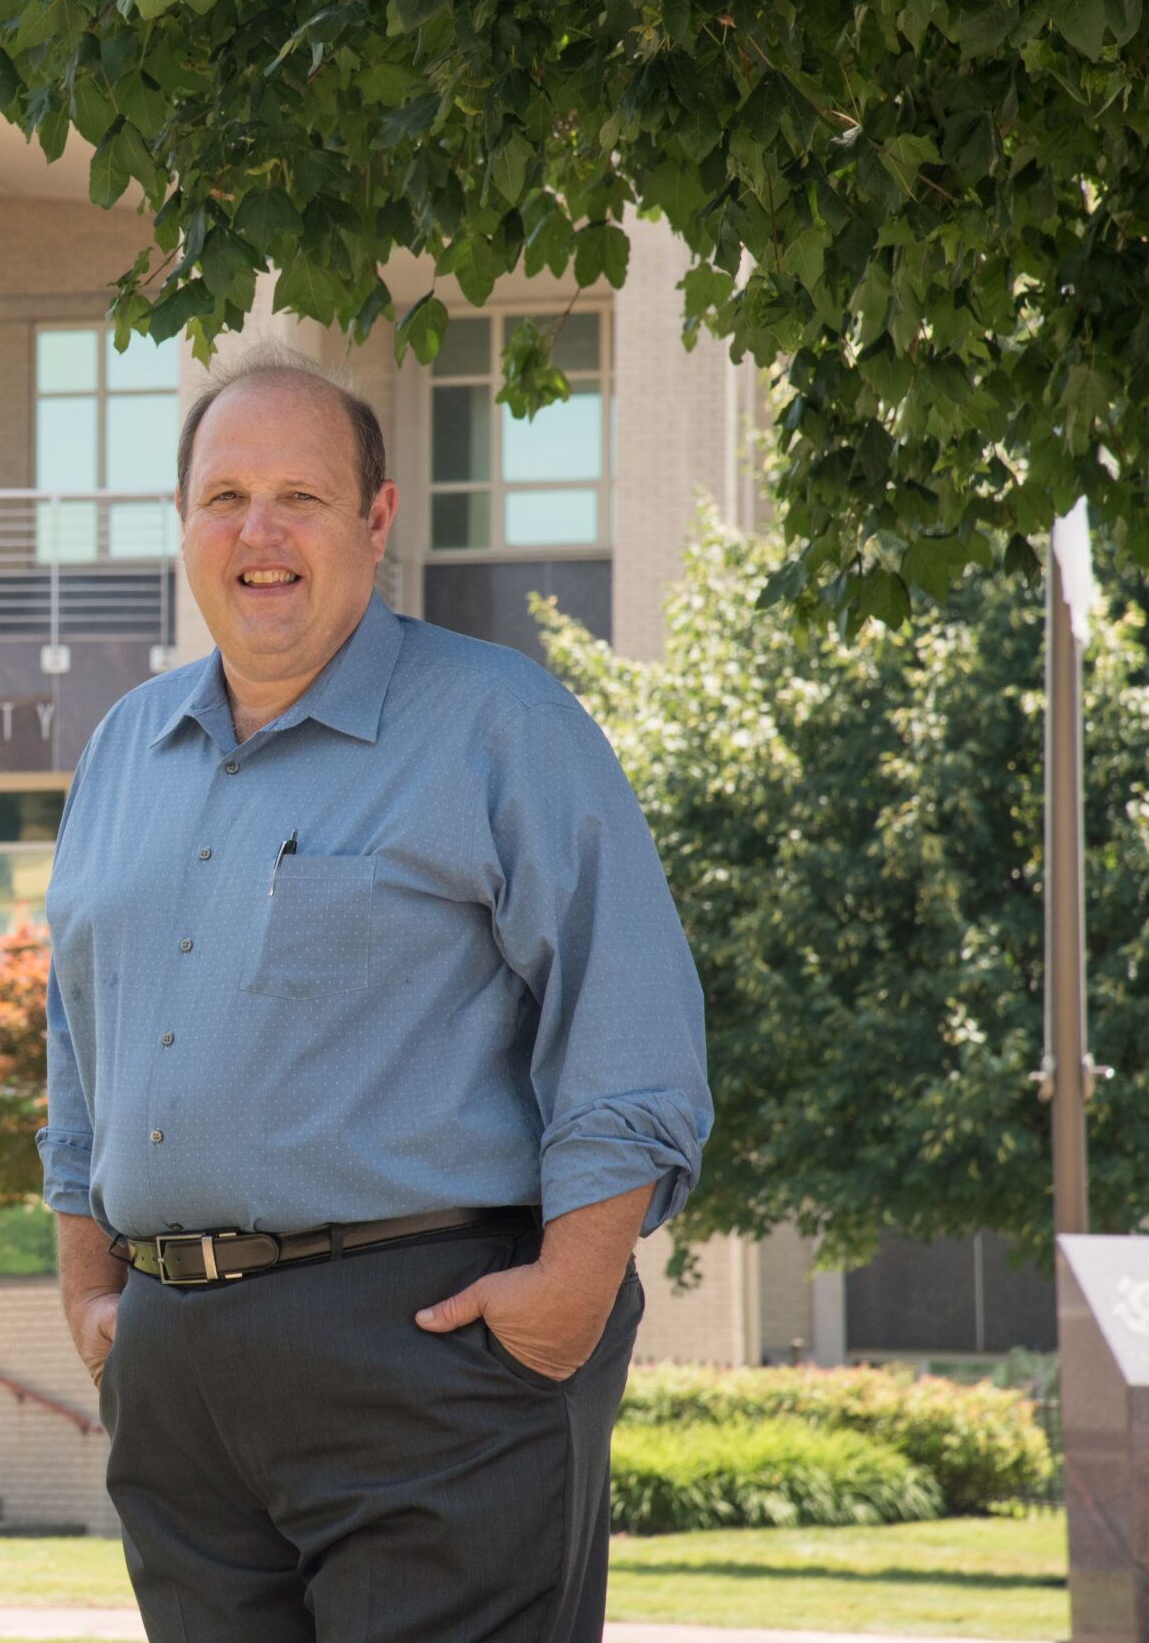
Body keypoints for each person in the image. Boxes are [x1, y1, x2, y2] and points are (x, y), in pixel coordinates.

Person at [37, 348, 712, 1642]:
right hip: (177, 1376)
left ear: (379, 519)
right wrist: (89, 1290)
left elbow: (623, 1012)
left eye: (301, 494)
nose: (260, 530)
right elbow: (79, 1041)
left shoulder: (496, 722)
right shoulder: (125, 747)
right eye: (225, 495)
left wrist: (574, 1285)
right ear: (185, 525)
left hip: (428, 1349)